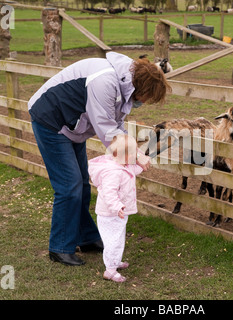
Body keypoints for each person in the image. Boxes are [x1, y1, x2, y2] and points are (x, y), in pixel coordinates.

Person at [28, 52, 171, 266]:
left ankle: (86, 238)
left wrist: (135, 152)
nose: (145, 102)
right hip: (51, 120)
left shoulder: (123, 83)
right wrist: (135, 155)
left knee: (81, 184)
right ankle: (59, 247)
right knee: (69, 185)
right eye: (147, 98)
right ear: (141, 88)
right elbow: (105, 125)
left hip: (73, 125)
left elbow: (117, 124)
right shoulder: (104, 81)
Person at [88, 134, 143, 282]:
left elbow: (138, 168)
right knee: (113, 240)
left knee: (118, 238)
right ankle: (110, 270)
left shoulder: (125, 165)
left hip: (118, 213)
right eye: (133, 153)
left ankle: (115, 261)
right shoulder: (113, 172)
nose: (135, 155)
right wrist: (117, 206)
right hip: (111, 213)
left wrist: (140, 157)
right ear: (122, 155)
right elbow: (109, 193)